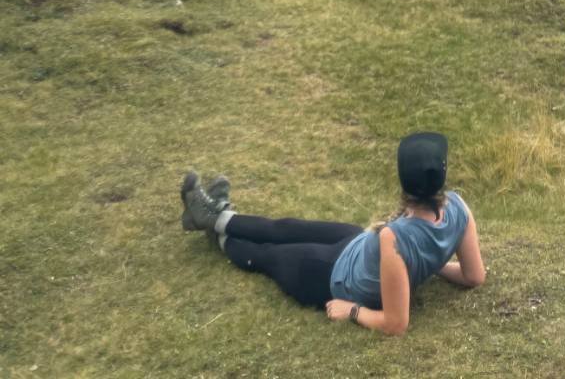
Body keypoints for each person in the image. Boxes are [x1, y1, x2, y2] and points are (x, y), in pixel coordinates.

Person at [179, 131, 485, 336]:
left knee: (266, 254)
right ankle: (218, 214)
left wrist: (352, 311)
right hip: (358, 244)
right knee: (285, 227)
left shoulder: (395, 236)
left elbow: (396, 323)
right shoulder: (458, 206)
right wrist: (434, 264)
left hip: (327, 276)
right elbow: (474, 275)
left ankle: (214, 228)